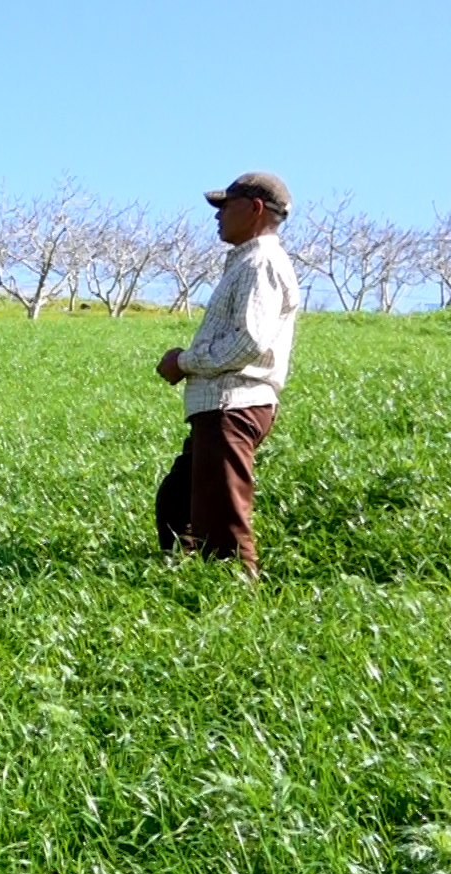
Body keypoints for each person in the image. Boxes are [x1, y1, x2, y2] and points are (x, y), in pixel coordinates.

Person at [154, 172, 300, 578]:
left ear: (255, 209)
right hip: (219, 407)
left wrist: (183, 362)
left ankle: (236, 604)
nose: (216, 216)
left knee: (222, 523)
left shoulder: (261, 262)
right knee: (177, 506)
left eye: (225, 206)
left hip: (233, 406)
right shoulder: (249, 261)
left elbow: (247, 342)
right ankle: (186, 581)